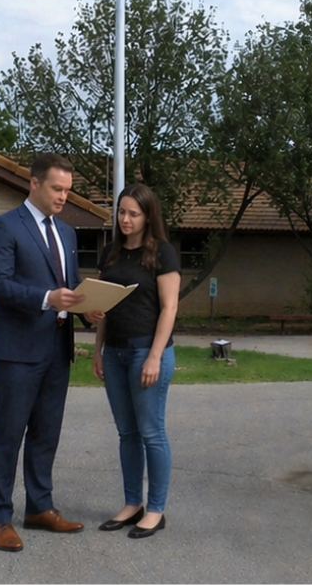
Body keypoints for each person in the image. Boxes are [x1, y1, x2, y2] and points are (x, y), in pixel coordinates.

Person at [0, 153, 91, 553]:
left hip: (57, 348)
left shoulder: (68, 233)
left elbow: (70, 285)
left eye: (67, 190)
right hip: (17, 349)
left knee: (46, 433)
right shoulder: (3, 227)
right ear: (34, 184)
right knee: (8, 434)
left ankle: (39, 507)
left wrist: (89, 308)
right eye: (57, 189)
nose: (63, 196)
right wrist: (46, 298)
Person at [86, 183, 180, 539]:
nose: (126, 219)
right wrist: (98, 350)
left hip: (147, 352)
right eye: (122, 212)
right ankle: (132, 504)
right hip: (115, 352)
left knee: (151, 432)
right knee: (127, 433)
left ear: (148, 216)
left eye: (134, 214)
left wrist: (154, 357)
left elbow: (169, 308)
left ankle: (155, 509)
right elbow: (103, 305)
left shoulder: (163, 253)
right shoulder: (110, 253)